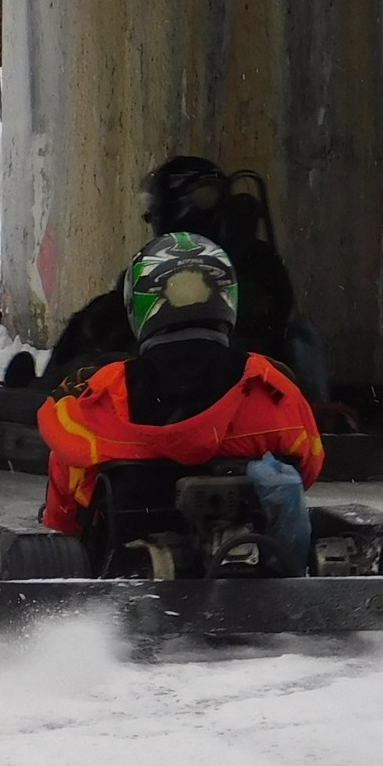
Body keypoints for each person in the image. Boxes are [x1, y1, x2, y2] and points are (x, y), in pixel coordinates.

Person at [38, 234, 322, 569]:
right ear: (227, 297)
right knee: (280, 479)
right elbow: (308, 461)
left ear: (139, 304)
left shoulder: (101, 392)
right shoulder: (269, 386)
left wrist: (63, 534)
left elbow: (66, 468)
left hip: (129, 567)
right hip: (253, 567)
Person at [42, 155, 330, 400]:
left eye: (156, 206)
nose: (151, 216)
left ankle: (45, 392)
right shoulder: (244, 256)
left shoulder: (243, 262)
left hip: (208, 376)